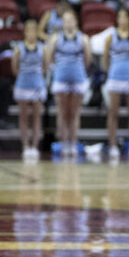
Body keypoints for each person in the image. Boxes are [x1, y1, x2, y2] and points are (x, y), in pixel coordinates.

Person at [46, 10, 91, 158]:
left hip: (78, 78)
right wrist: (59, 67)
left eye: (71, 20)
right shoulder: (55, 39)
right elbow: (49, 58)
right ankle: (64, 143)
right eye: (66, 20)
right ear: (62, 23)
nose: (69, 23)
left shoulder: (83, 39)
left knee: (74, 113)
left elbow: (88, 60)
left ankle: (73, 142)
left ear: (76, 22)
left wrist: (77, 69)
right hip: (61, 78)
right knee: (63, 112)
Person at [102, 8, 129, 162]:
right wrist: (112, 71)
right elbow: (105, 60)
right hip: (115, 77)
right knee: (113, 112)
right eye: (120, 16)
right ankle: (113, 146)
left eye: (125, 16)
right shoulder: (110, 37)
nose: (123, 19)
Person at [12, 20, 46, 161]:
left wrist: (37, 77)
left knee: (37, 116)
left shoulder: (42, 48)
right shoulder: (19, 48)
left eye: (34, 30)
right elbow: (14, 68)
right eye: (28, 30)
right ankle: (25, 145)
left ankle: (35, 145)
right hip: (23, 83)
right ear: (25, 32)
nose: (31, 33)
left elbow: (45, 66)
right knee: (24, 116)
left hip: (37, 83)